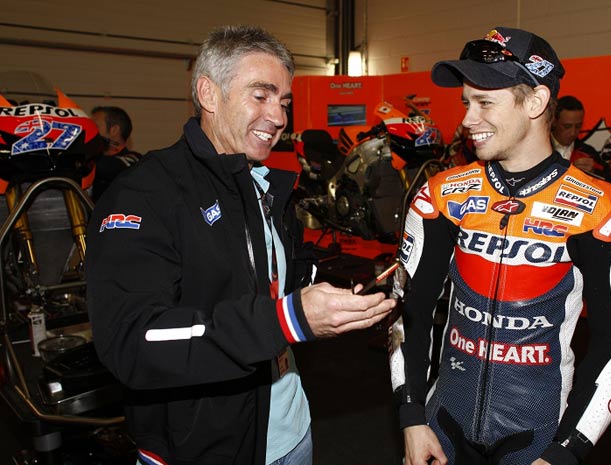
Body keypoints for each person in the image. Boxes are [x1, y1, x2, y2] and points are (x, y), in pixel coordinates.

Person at [85, 25, 395, 465]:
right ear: (208, 94)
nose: (280, 117)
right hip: (201, 449)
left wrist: (338, 291)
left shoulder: (261, 182)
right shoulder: (145, 194)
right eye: (261, 95)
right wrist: (288, 319)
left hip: (292, 431)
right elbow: (132, 340)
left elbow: (266, 279)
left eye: (284, 102)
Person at [389, 27, 611, 465]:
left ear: (535, 102)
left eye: (484, 102)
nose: (467, 119)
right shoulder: (442, 194)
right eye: (466, 103)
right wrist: (411, 416)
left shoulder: (602, 209)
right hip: (441, 426)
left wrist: (566, 452)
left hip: (539, 436)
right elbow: (408, 309)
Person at [90, 105, 142, 201]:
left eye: (94, 126)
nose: (90, 131)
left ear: (114, 130)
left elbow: (108, 167)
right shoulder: (93, 158)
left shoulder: (134, 159)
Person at [550, 96, 603, 176]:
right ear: (554, 122)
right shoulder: (540, 150)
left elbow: (610, 182)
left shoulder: (588, 153)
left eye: (578, 126)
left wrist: (594, 173)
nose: (573, 132)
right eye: (567, 126)